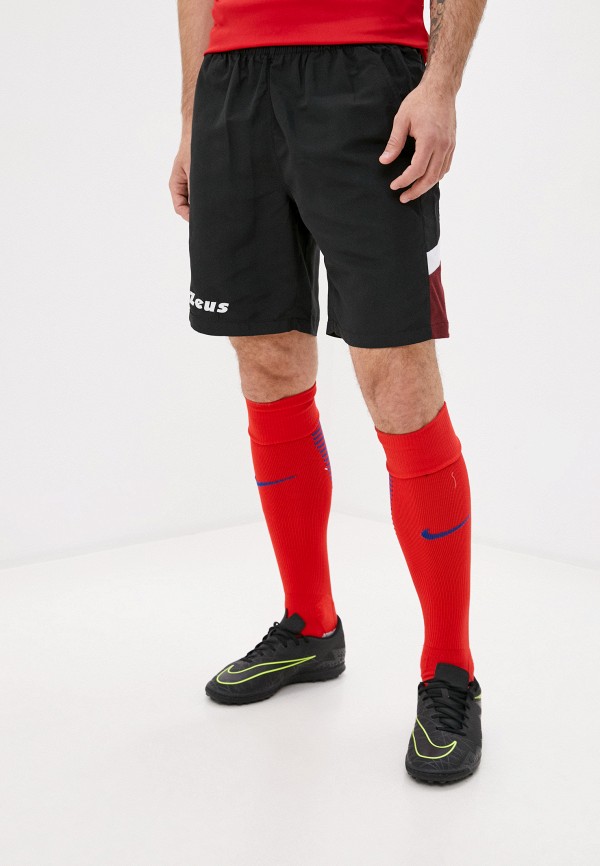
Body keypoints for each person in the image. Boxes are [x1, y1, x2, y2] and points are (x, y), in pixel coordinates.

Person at [170, 0, 487, 784]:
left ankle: (450, 670)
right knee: (268, 364)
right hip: (233, 83)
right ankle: (310, 625)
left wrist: (441, 84)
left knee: (399, 380)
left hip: (368, 75)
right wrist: (192, 114)